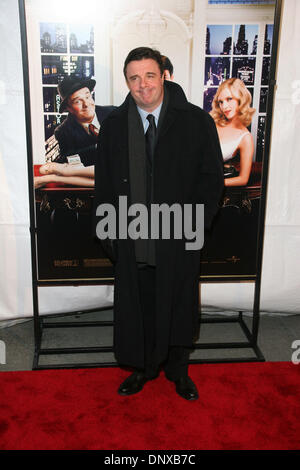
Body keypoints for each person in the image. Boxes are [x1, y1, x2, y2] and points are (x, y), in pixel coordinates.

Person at [94, 47, 224, 400]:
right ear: (127, 82)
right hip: (130, 232)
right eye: (134, 78)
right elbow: (103, 184)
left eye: (149, 75)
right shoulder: (113, 126)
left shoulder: (197, 122)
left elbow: (211, 181)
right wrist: (110, 234)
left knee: (179, 303)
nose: (142, 85)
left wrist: (196, 226)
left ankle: (178, 371)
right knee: (139, 303)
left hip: (179, 233)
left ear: (164, 75)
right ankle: (141, 368)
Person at [34, 77, 115, 188]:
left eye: (87, 96)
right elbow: (71, 158)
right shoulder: (63, 132)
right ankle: (58, 173)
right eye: (78, 101)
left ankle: (54, 176)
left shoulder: (114, 114)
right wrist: (100, 147)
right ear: (69, 108)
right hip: (95, 170)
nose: (86, 104)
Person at [210, 78, 255, 187]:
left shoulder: (245, 138)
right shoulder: (213, 123)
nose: (224, 106)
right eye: (221, 102)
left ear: (241, 100)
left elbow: (243, 179)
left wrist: (213, 184)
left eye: (229, 99)